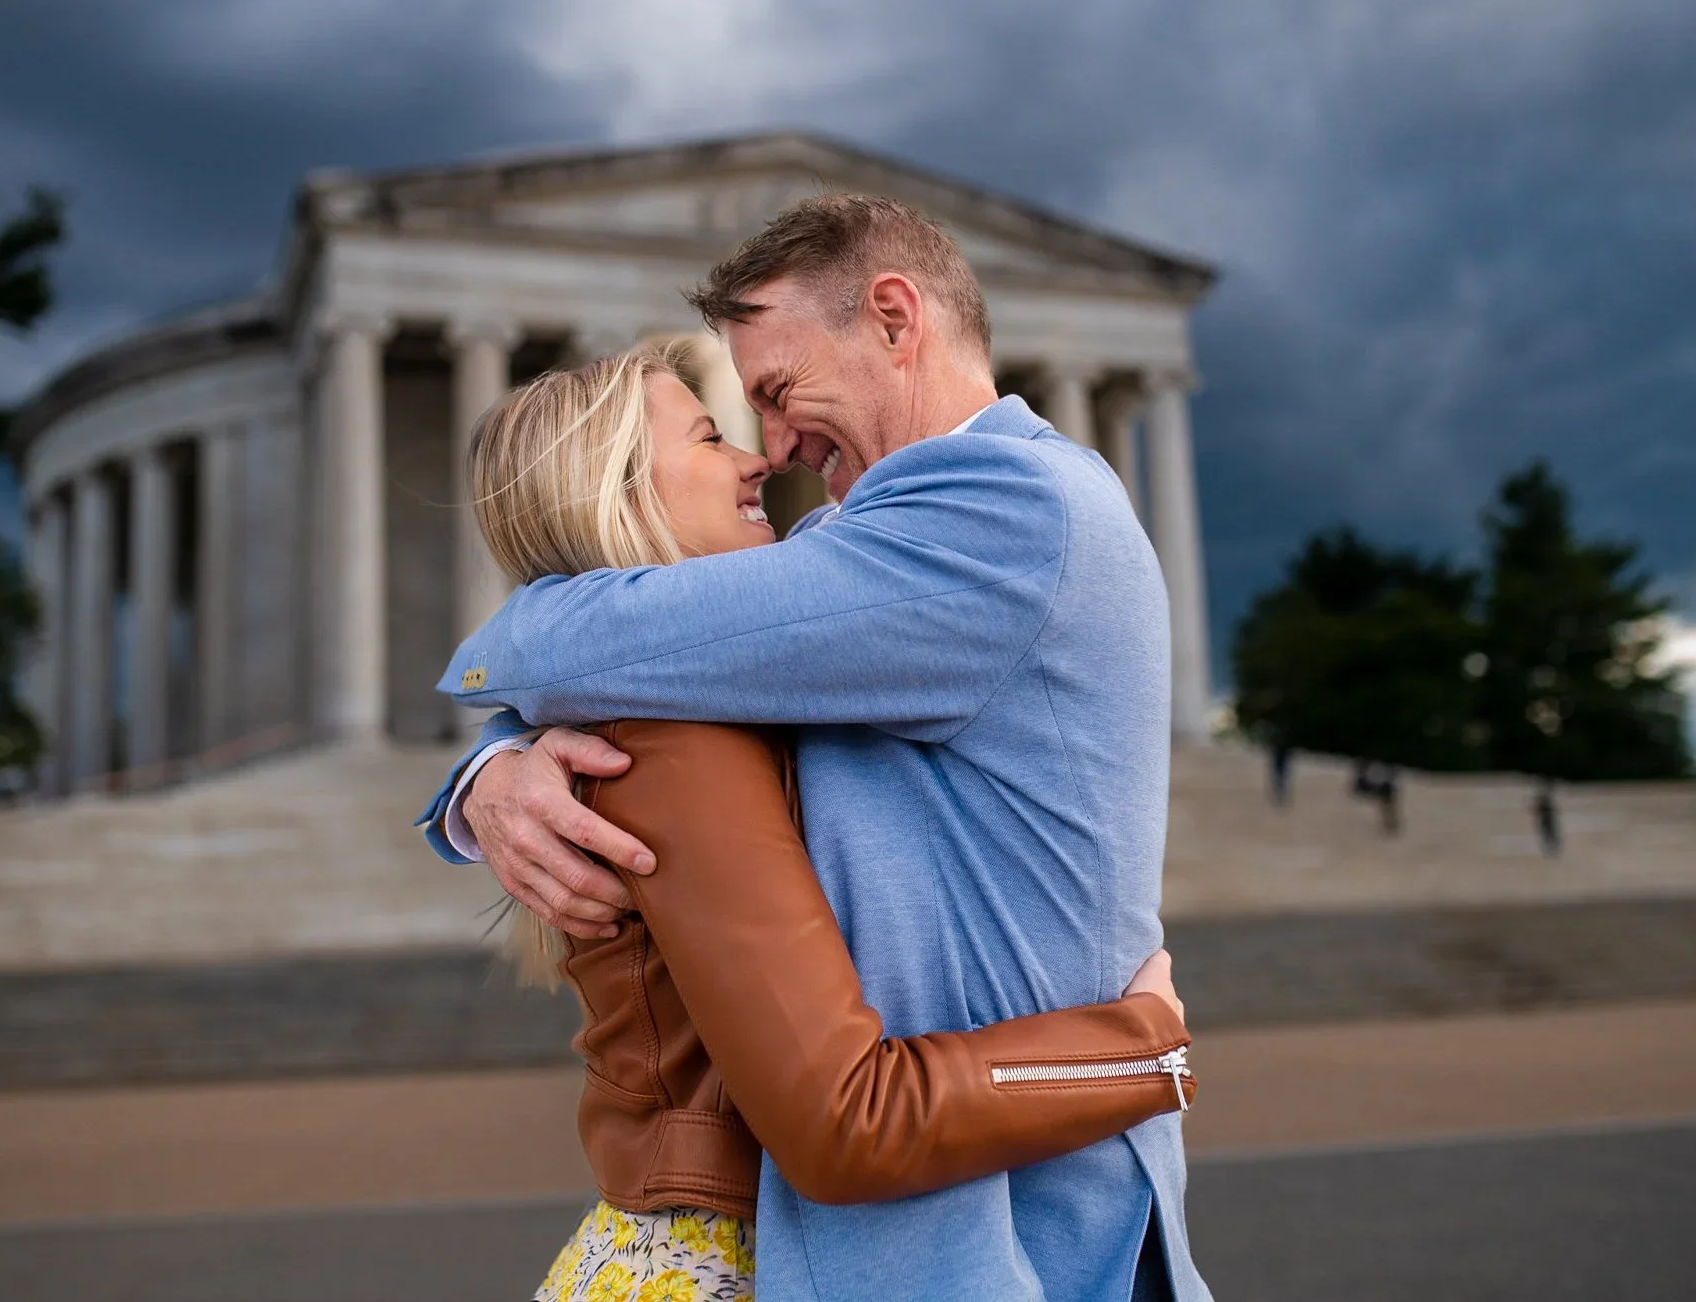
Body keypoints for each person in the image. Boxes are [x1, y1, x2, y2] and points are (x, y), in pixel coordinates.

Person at [422, 195, 1211, 1300]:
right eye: (728, 422)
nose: (772, 451)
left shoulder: (1006, 508)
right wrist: (494, 770)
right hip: (922, 1213)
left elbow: (593, 638)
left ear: (893, 318)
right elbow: (667, 654)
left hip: (1021, 1235)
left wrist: (499, 696)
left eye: (776, 395)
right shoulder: (848, 548)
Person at [1534, 777, 1561, 858]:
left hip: (1547, 820)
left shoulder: (1544, 800)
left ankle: (1553, 849)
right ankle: (1551, 849)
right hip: (1546, 820)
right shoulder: (1544, 800)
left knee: (1549, 834)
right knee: (1548, 835)